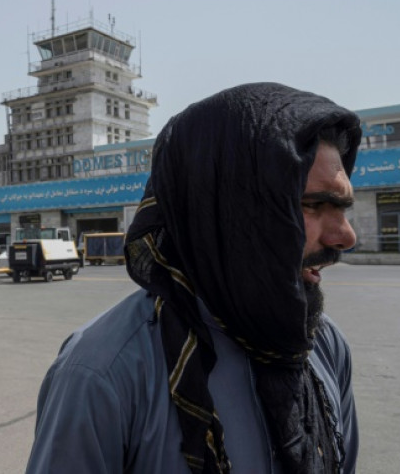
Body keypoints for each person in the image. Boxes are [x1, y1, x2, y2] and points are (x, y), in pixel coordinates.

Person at [26, 83, 360, 474]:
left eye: (343, 207)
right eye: (313, 205)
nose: (346, 237)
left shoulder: (323, 345)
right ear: (225, 208)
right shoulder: (104, 372)